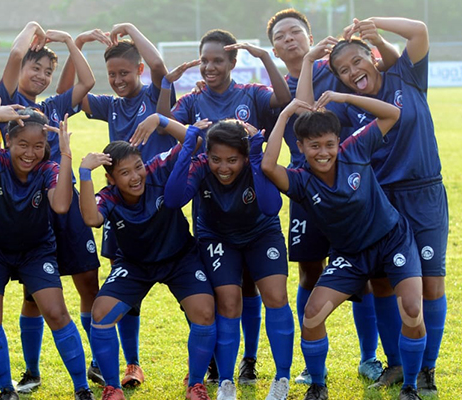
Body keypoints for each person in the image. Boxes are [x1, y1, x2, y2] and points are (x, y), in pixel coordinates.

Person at [265, 9, 401, 385]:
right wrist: (309, 63)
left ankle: (370, 357)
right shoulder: (283, 89)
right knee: (310, 271)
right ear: (275, 49)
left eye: (295, 32)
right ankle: (312, 366)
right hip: (305, 189)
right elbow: (303, 114)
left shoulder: (338, 70)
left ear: (310, 37)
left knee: (370, 274)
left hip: (351, 185)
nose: (289, 39)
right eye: (280, 36)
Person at [260, 94, 426, 400]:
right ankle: (318, 385)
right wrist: (285, 115)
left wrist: (344, 96)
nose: (323, 153)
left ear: (338, 141)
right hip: (350, 255)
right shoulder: (301, 181)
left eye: (329, 144)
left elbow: (392, 114)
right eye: (314, 146)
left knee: (413, 310)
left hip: (393, 242)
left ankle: (410, 387)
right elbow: (268, 166)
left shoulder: (355, 148)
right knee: (312, 315)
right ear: (301, 147)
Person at [155, 28, 292, 384]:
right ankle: (221, 365)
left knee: (253, 286)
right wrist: (167, 85)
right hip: (211, 207)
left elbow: (283, 99)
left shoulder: (251, 93)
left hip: (251, 204)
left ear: (233, 62)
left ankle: (249, 359)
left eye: (217, 60)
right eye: (205, 61)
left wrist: (265, 58)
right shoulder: (193, 100)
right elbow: (165, 123)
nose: (209, 67)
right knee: (226, 293)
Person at [321, 18, 448, 396]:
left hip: (423, 195)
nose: (352, 72)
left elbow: (420, 30)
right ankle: (395, 364)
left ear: (373, 57)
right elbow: (310, 115)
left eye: (356, 62)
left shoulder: (407, 77)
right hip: (378, 202)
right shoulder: (347, 109)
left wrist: (374, 24)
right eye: (343, 70)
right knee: (383, 283)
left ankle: (426, 369)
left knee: (431, 284)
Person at [56, 22, 176, 387]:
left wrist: (131, 29)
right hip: (119, 208)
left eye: (124, 72)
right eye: (112, 75)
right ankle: (131, 363)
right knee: (126, 289)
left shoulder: (154, 95)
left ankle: (208, 362)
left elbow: (160, 67)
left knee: (184, 284)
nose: (118, 80)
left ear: (138, 70)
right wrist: (76, 44)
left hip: (158, 205)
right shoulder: (109, 106)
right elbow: (65, 97)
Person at [0, 21, 104, 391]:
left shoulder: (54, 107)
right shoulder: (10, 102)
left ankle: (98, 362)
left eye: (47, 71)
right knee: (33, 295)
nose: (41, 76)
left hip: (67, 202)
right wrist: (33, 28)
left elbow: (87, 82)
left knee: (88, 282)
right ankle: (31, 371)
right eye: (35, 68)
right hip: (32, 208)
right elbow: (14, 53)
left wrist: (72, 41)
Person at [78, 114, 217, 400]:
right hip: (135, 265)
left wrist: (161, 120)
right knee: (101, 314)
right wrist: (84, 172)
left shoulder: (156, 169)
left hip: (180, 259)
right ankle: (113, 387)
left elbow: (195, 142)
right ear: (111, 179)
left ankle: (195, 383)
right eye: (124, 173)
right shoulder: (109, 196)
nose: (135, 176)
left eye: (137, 167)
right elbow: (91, 219)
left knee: (204, 311)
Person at [164, 119, 295, 400]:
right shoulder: (201, 165)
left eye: (232, 160)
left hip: (261, 233)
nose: (223, 168)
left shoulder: (253, 161)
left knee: (276, 296)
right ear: (207, 155)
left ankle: (281, 378)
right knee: (228, 302)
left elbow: (271, 207)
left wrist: (257, 158)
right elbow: (174, 199)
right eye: (216, 159)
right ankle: (226, 382)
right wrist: (188, 145)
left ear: (244, 156)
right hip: (217, 236)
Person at [0, 106, 95, 400]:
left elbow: (61, 205)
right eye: (23, 144)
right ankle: (6, 389)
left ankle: (82, 388)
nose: (30, 153)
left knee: (56, 312)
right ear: (9, 141)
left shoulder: (48, 169)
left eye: (38, 146)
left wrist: (66, 154)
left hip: (35, 250)